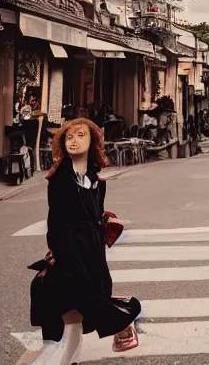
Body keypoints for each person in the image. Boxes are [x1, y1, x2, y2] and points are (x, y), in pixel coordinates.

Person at [28, 118, 141, 364]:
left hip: (91, 258)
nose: (74, 141)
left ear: (92, 141)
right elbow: (56, 225)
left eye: (80, 135)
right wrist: (68, 262)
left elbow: (95, 224)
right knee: (67, 328)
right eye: (69, 137)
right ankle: (121, 325)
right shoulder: (59, 180)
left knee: (72, 326)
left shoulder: (96, 182)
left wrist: (105, 225)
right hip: (69, 262)